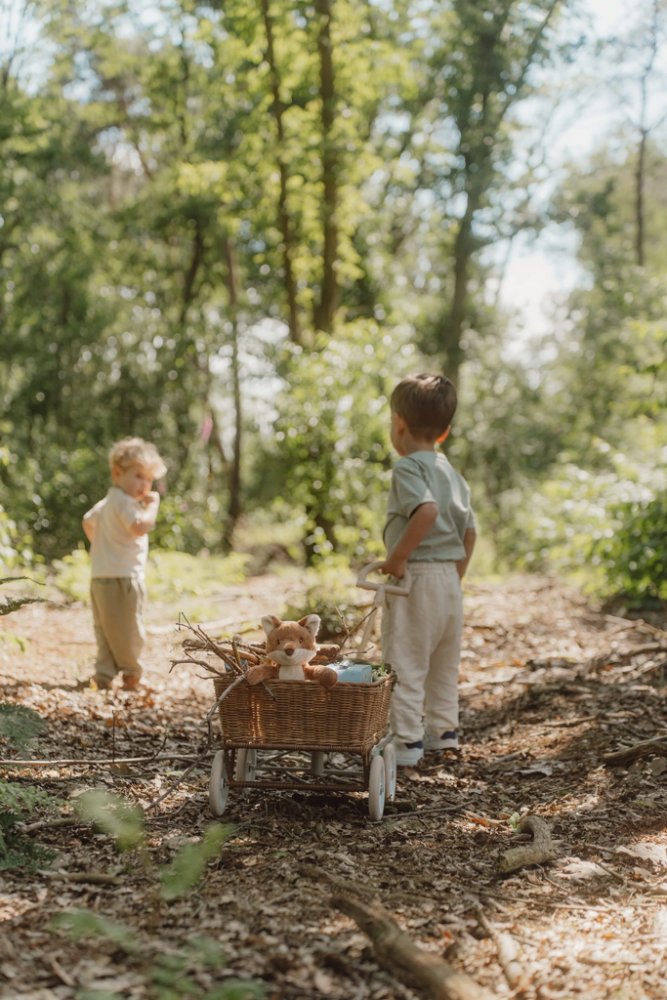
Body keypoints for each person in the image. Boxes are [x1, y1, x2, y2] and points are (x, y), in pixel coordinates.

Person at [379, 373, 476, 766]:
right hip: (450, 580)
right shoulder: (452, 473)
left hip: (415, 578)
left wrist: (397, 559)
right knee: (442, 662)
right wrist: (456, 574)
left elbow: (427, 511)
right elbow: (470, 532)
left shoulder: (407, 469)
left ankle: (405, 744)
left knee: (404, 660)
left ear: (398, 423)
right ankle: (443, 733)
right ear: (445, 431)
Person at [82, 437, 167, 691]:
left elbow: (87, 521)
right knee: (130, 628)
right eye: (139, 476)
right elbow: (140, 527)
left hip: (100, 576)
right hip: (124, 577)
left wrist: (102, 545)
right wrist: (153, 506)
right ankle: (132, 674)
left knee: (105, 629)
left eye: (149, 479)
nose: (145, 484)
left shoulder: (109, 501)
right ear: (118, 473)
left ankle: (104, 675)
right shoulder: (126, 503)